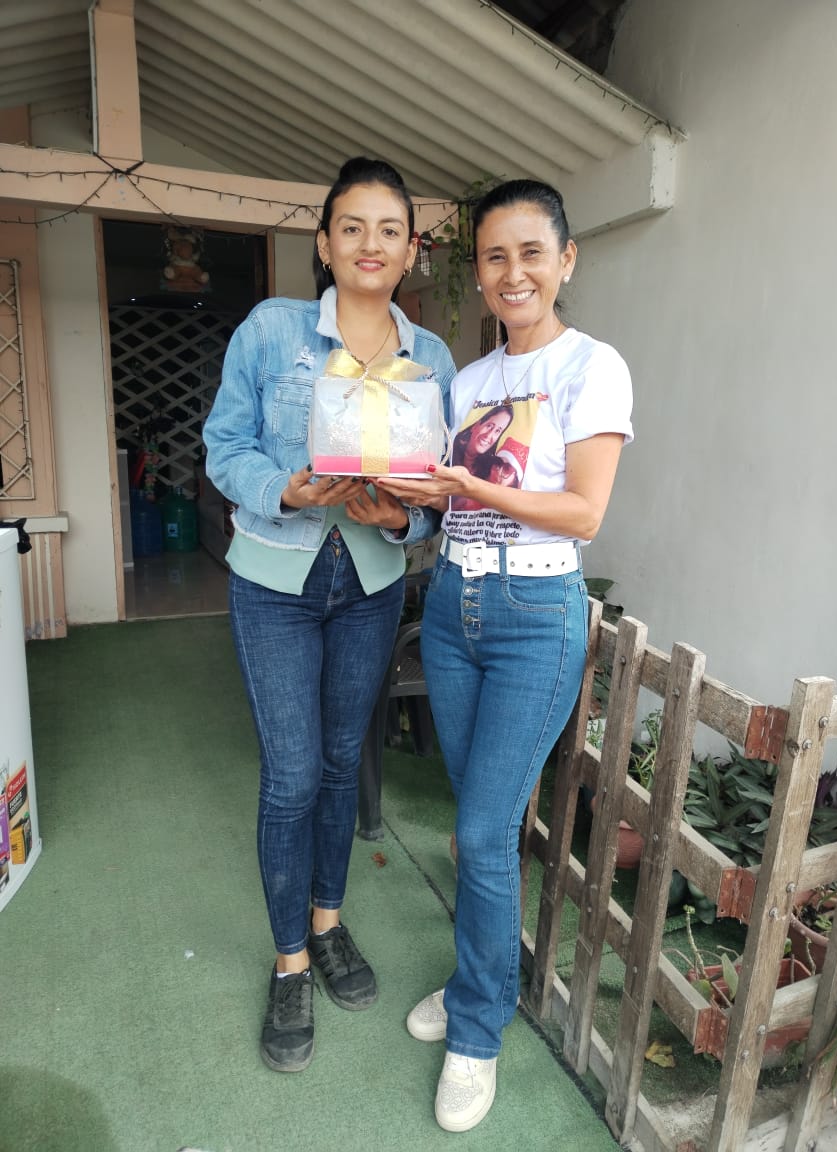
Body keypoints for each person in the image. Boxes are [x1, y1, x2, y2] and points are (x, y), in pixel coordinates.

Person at [376, 178, 633, 1131]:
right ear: (479, 273)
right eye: (494, 256)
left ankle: (478, 1030)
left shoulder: (593, 367)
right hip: (454, 607)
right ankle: (475, 979)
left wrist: (468, 486)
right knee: (474, 827)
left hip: (534, 616)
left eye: (531, 253)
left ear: (566, 260)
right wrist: (403, 500)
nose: (513, 272)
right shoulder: (468, 382)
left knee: (485, 835)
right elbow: (447, 498)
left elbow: (584, 512)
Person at [203, 157, 456, 1074]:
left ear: (410, 249)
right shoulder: (273, 331)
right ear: (324, 241)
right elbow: (224, 445)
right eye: (352, 227)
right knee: (291, 776)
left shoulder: (431, 360)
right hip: (276, 578)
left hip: (372, 583)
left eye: (388, 230)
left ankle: (328, 919)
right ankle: (290, 963)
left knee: (344, 762)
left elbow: (439, 489)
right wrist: (286, 488)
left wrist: (403, 518)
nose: (370, 245)